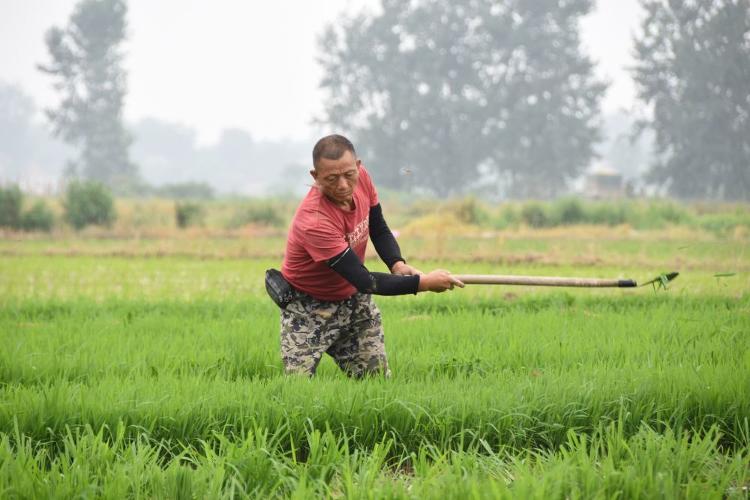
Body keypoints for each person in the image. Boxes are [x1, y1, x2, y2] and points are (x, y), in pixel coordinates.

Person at [277, 134, 464, 378]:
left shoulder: (362, 179)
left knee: (375, 383)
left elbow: (377, 226)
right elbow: (366, 281)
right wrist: (424, 283)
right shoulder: (314, 220)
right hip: (308, 307)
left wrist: (397, 263)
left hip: (353, 300)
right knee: (296, 393)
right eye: (331, 179)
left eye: (348, 174)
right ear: (315, 176)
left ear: (358, 166)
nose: (343, 185)